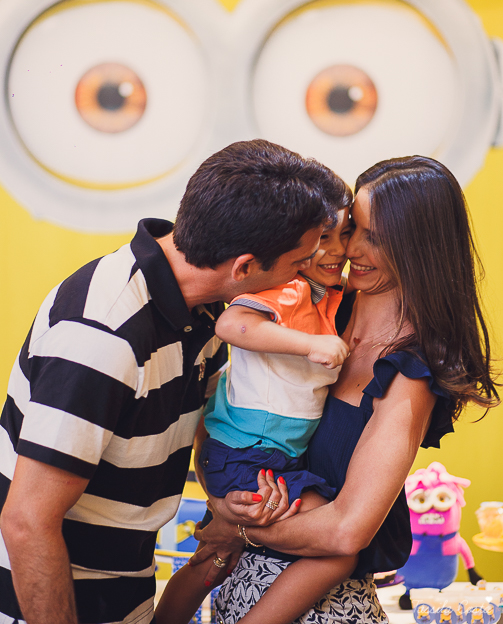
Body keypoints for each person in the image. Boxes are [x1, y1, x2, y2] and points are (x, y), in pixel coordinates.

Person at [0, 139, 346, 624]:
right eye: (297, 264)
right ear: (244, 267)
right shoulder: (104, 333)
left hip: (127, 583)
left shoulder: (204, 311)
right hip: (52, 597)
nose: (305, 274)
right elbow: (26, 523)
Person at [184, 156, 500, 624]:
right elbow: (232, 415)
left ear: (419, 248)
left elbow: (346, 532)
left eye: (374, 238)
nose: (350, 248)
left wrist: (240, 529)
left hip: (323, 609)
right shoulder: (313, 308)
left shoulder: (410, 373)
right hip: (233, 591)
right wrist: (219, 495)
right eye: (352, 228)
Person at [157, 190, 353, 624]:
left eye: (347, 234)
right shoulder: (290, 290)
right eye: (324, 237)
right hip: (248, 454)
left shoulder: (329, 296)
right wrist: (309, 344)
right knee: (338, 543)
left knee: (214, 558)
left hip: (266, 455)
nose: (338, 249)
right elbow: (233, 323)